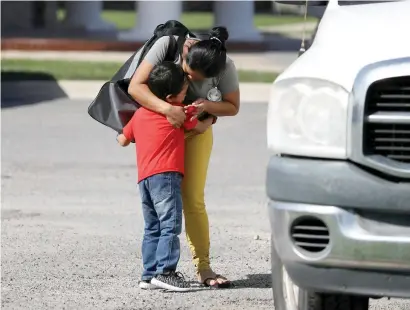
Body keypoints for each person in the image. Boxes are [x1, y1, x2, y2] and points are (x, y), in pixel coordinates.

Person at [128, 26, 240, 288]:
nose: (188, 82)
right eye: (187, 74)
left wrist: (207, 109)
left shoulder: (226, 66)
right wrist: (169, 110)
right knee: (161, 206)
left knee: (192, 199)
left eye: (196, 80)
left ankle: (204, 268)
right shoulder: (168, 46)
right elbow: (136, 86)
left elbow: (232, 106)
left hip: (196, 131)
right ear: (186, 51)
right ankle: (155, 272)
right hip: (162, 133)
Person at [117, 62, 210, 292]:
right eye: (184, 90)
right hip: (166, 177)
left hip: (145, 179)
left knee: (152, 227)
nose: (187, 92)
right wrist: (210, 119)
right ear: (170, 97)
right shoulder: (178, 113)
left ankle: (148, 275)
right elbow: (198, 128)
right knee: (170, 224)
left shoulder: (140, 114)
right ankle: (166, 272)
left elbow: (122, 139)